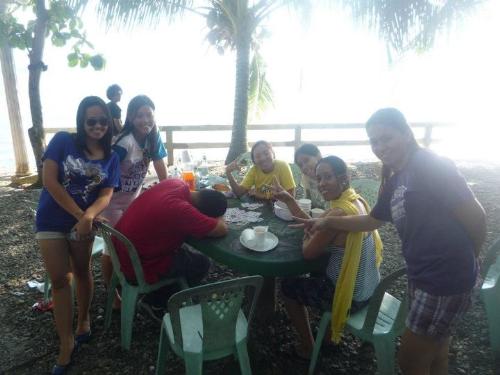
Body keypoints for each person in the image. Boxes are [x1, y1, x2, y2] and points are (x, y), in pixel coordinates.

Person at [294, 108, 486, 375]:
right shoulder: (396, 179)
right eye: (374, 141)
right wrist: (327, 222)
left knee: (411, 360)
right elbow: (372, 221)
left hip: (444, 279)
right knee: (437, 352)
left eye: (387, 138)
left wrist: (466, 262)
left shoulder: (429, 164)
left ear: (407, 134)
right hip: (422, 274)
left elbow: (477, 218)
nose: (380, 146)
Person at [35, 96, 120, 374]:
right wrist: (80, 216)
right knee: (60, 280)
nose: (98, 126)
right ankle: (66, 342)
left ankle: (84, 320)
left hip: (83, 224)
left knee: (82, 271)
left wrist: (90, 216)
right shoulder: (63, 141)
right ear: (82, 122)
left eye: (103, 121)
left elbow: (107, 193)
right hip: (52, 219)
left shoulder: (112, 157)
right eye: (91, 121)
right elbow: (49, 181)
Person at [272, 156, 383, 359]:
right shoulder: (355, 201)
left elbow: (308, 252)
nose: (322, 183)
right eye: (319, 178)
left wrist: (307, 239)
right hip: (371, 288)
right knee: (317, 269)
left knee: (287, 287)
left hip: (351, 296)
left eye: (327, 177)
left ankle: (308, 347)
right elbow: (316, 224)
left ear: (343, 178)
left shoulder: (338, 214)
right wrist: (289, 200)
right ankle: (328, 335)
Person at [112, 178, 229, 319]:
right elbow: (221, 229)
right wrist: (219, 218)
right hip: (137, 266)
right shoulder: (182, 209)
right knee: (202, 263)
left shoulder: (175, 183)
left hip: (120, 249)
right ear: (200, 212)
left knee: (185, 252)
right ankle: (157, 303)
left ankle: (160, 293)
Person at [100, 95, 168, 307]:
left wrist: (168, 189)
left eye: (149, 115)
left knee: (132, 241)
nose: (145, 120)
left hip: (132, 199)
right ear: (130, 117)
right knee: (111, 247)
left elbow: (160, 166)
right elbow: (103, 171)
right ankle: (111, 292)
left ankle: (126, 281)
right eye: (140, 115)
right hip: (111, 202)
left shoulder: (152, 138)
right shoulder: (125, 143)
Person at [225, 140, 296, 199]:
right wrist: (228, 173)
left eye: (266, 153)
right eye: (258, 156)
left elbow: (291, 196)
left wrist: (263, 196)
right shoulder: (254, 170)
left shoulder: (282, 165)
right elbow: (239, 193)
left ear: (273, 154)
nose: (263, 158)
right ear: (254, 161)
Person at [294, 143, 328, 209]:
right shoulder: (306, 179)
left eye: (306, 160)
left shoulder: (331, 178)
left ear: (318, 156)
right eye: (300, 165)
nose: (304, 167)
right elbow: (308, 201)